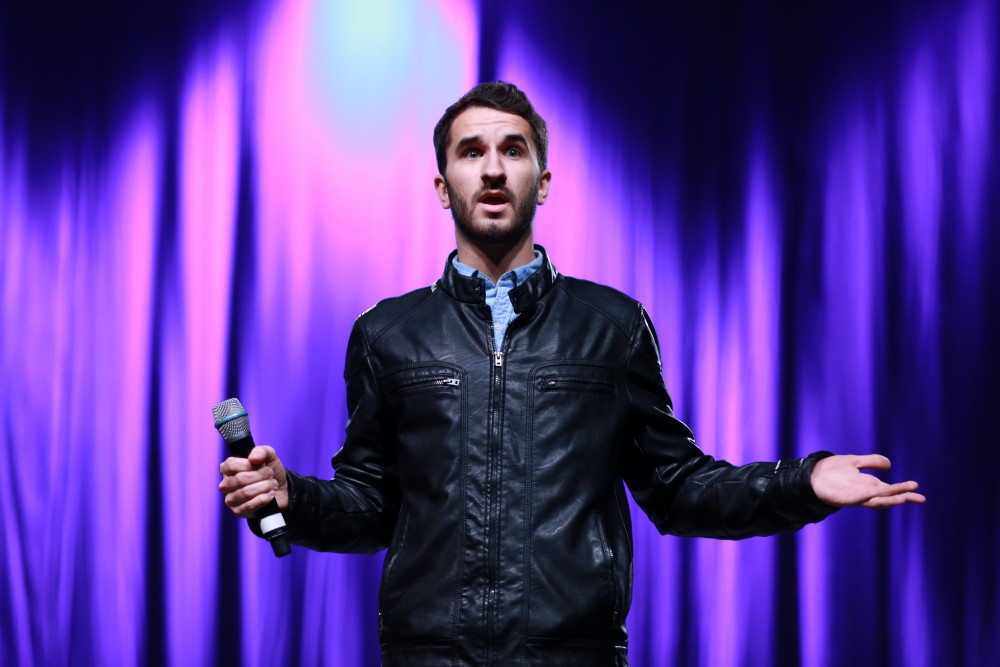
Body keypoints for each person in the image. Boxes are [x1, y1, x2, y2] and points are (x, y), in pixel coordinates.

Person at [218, 81, 924, 666]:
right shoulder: (386, 333)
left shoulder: (612, 326)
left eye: (512, 150)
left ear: (543, 180)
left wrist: (802, 481)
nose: (492, 169)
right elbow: (372, 506)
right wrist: (292, 497)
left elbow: (678, 488)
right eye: (472, 152)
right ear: (442, 184)